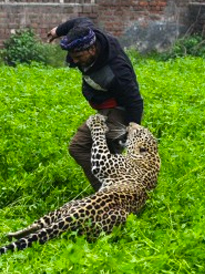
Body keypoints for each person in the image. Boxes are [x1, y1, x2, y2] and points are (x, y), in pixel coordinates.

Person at [47, 17, 144, 191]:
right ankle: (118, 191)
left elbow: (135, 101)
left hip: (119, 110)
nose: (74, 61)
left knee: (79, 147)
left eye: (78, 57)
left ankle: (112, 194)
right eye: (71, 56)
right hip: (104, 106)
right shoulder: (86, 32)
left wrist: (132, 135)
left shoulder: (117, 71)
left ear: (91, 49)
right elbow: (79, 21)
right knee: (104, 155)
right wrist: (58, 31)